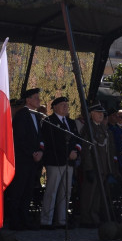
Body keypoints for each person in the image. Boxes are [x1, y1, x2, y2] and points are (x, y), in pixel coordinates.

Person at [5, 88, 44, 230]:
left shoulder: (37, 116)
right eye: (36, 97)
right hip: (23, 160)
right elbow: (19, 139)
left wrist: (40, 151)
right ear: (28, 100)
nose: (39, 100)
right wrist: (32, 153)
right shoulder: (22, 115)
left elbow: (40, 137)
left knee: (28, 191)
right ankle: (15, 221)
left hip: (33, 160)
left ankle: (25, 218)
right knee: (18, 191)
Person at [40, 97, 81, 228]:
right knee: (51, 192)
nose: (65, 107)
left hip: (69, 162)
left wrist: (76, 152)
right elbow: (51, 142)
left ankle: (62, 220)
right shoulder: (49, 121)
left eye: (66, 105)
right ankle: (46, 220)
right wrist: (68, 152)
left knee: (65, 192)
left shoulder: (71, 122)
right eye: (63, 105)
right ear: (55, 107)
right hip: (55, 161)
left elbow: (77, 139)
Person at [77, 103, 116, 227]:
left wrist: (110, 168)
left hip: (103, 167)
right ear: (91, 114)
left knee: (98, 195)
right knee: (89, 194)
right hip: (93, 167)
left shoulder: (103, 128)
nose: (101, 115)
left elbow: (108, 150)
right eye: (98, 113)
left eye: (102, 113)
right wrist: (88, 168)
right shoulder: (88, 129)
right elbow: (86, 151)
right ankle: (86, 218)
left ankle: (94, 217)